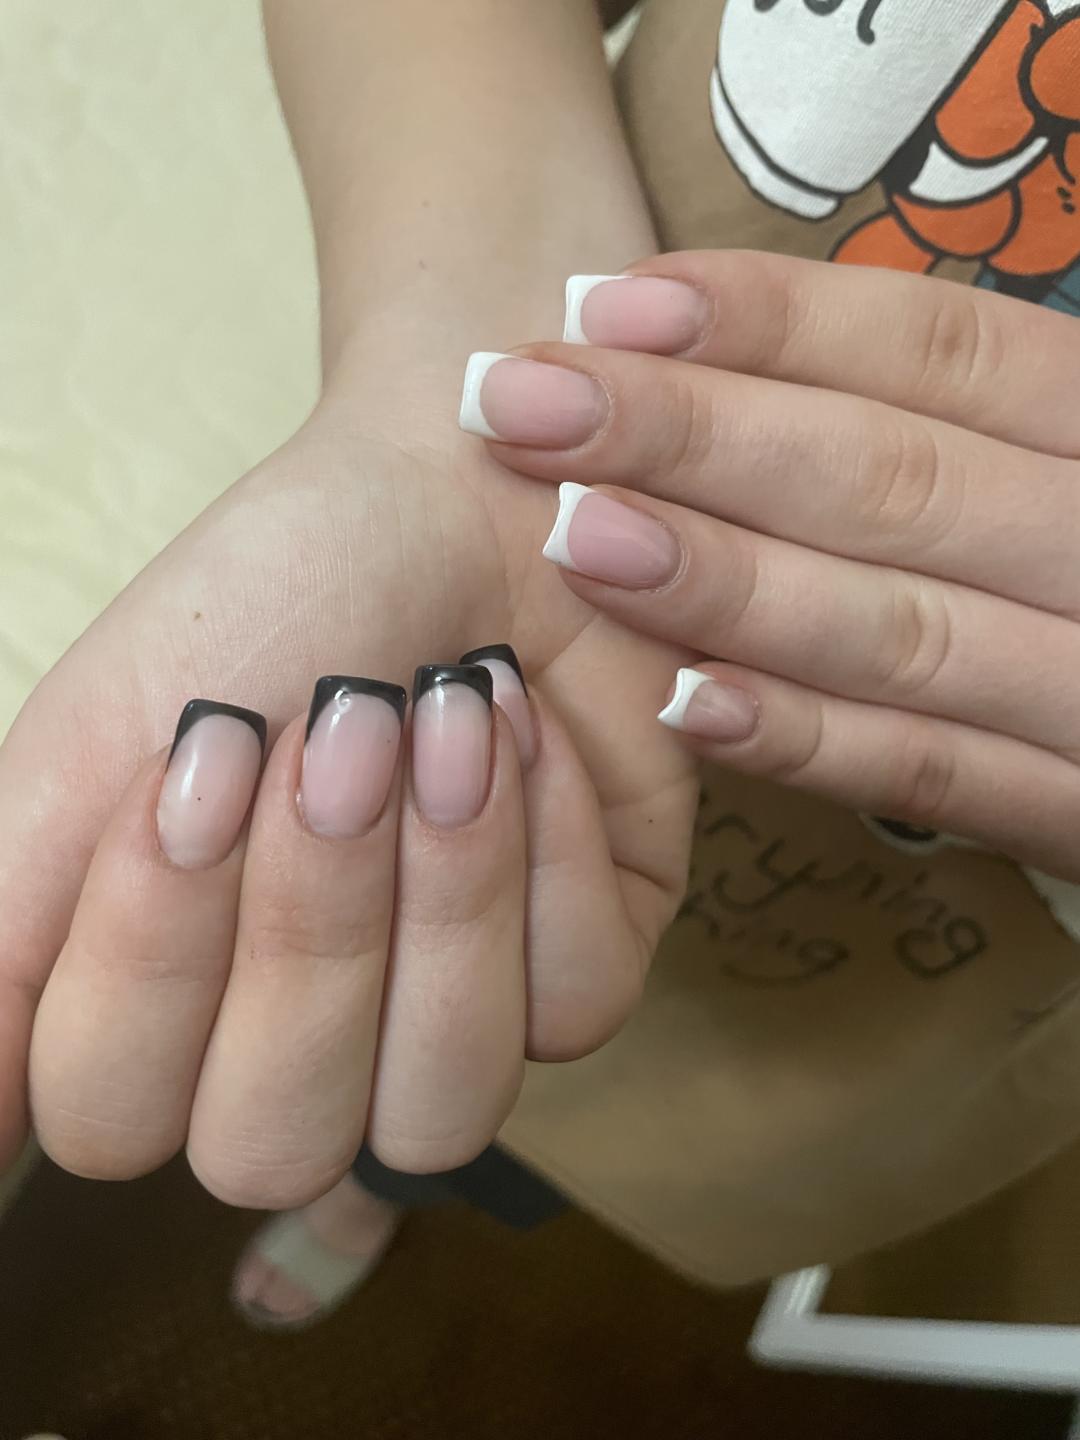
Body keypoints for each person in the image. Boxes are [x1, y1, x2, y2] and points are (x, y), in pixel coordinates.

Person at [7, 0, 1080, 1327]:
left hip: (926, 963)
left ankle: (394, 1186)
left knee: (523, 1101)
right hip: (544, 649)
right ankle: (371, 1181)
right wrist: (453, 367)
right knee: (382, 1028)